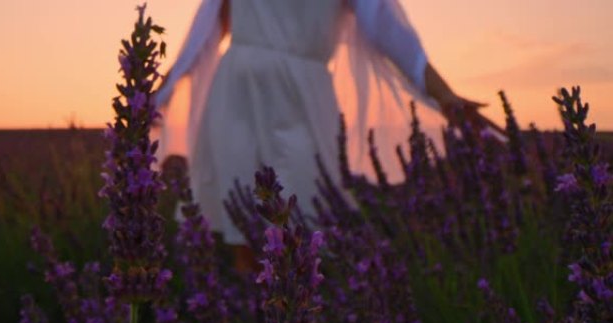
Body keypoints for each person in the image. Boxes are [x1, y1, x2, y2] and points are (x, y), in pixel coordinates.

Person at [152, 0, 499, 253]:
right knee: (243, 216)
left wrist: (444, 95)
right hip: (237, 90)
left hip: (301, 95)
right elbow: (206, 31)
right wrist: (153, 98)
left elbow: (391, 34)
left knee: (303, 218)